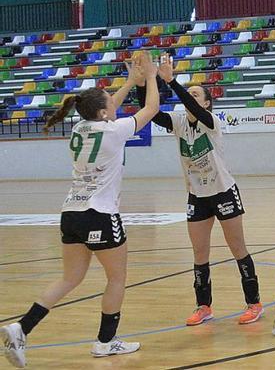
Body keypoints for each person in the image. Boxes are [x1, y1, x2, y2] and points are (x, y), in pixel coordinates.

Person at [1, 53, 158, 367]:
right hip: (100, 213)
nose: (115, 104)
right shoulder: (114, 131)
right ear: (103, 112)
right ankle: (105, 342)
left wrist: (130, 81)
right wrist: (151, 76)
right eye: (110, 103)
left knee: (70, 278)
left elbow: (106, 104)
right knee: (116, 278)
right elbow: (151, 109)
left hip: (71, 213)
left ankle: (22, 327)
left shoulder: (79, 128)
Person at [144, 55, 262, 327]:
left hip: (223, 191)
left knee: (238, 249)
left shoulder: (211, 120)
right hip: (197, 195)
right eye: (190, 93)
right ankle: (203, 306)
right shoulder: (178, 122)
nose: (191, 97)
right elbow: (150, 112)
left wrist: (172, 81)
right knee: (199, 254)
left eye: (197, 94)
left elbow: (192, 107)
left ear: (206, 103)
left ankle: (254, 303)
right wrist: (146, 81)